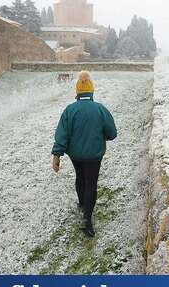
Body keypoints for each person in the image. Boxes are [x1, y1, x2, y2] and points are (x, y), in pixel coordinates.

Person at [51, 71, 117, 237]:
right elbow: (112, 133)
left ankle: (82, 204)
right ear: (91, 90)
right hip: (94, 155)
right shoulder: (100, 109)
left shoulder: (70, 110)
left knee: (80, 177)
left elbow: (62, 134)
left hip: (76, 155)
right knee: (91, 183)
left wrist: (56, 156)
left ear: (77, 91)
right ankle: (87, 219)